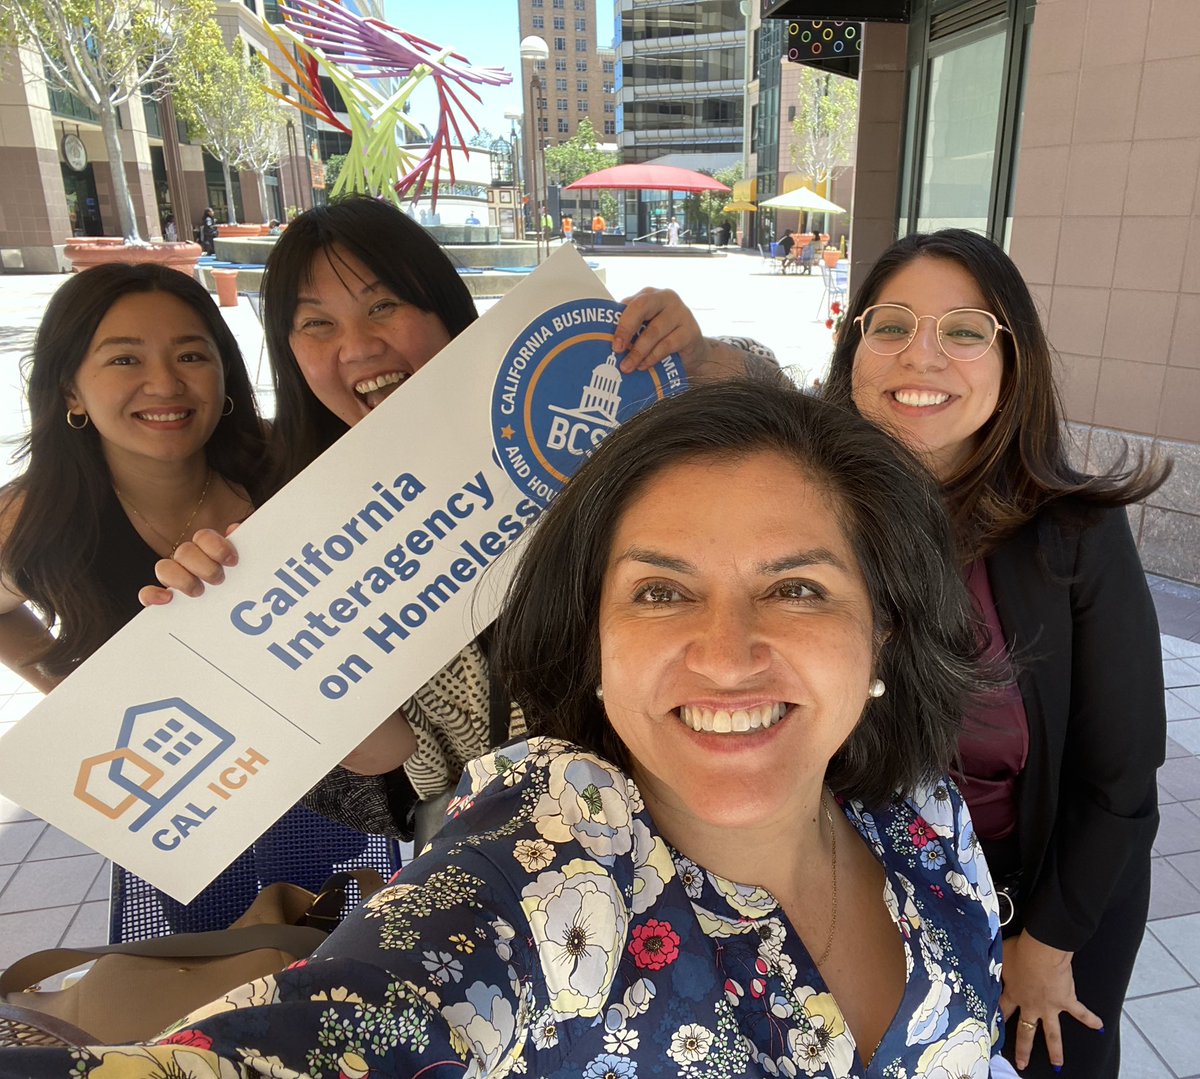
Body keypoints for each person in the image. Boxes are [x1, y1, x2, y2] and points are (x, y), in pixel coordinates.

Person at [0, 380, 1004, 1076]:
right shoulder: (543, 857)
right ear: (594, 642)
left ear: (882, 629)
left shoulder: (923, 818)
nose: (727, 651)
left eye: (797, 587)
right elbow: (337, 1026)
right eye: (660, 591)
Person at [142, 194, 779, 844]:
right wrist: (240, 633)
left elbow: (767, 460)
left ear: (445, 312)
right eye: (316, 324)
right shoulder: (308, 531)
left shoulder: (559, 416)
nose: (358, 346)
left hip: (678, 795)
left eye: (382, 306)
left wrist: (695, 360)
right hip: (500, 845)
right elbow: (392, 753)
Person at [822, 228, 1169, 1078]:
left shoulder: (1074, 533)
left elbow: (1121, 779)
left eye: (965, 330)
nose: (922, 355)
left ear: (1013, 361)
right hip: (854, 902)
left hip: (1041, 912)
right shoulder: (809, 511)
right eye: (892, 324)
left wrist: (1045, 946)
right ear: (853, 349)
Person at [0, 264, 267, 694]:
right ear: (71, 392)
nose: (165, 385)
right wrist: (67, 692)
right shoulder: (35, 513)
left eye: (190, 356)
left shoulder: (293, 464)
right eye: (125, 360)